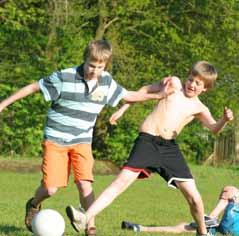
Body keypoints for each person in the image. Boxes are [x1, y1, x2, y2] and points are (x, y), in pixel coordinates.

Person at [0, 40, 171, 236]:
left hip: (82, 141)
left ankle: (90, 228)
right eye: (91, 65)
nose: (94, 71)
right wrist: (4, 104)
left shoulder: (106, 81)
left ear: (105, 65)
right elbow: (32, 87)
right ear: (85, 59)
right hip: (56, 140)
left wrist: (158, 95)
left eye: (100, 67)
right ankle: (34, 203)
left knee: (85, 184)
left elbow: (129, 95)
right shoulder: (65, 76)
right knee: (50, 189)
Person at [66, 60, 234, 236]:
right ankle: (85, 217)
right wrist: (123, 109)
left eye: (198, 83)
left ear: (205, 88)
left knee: (195, 199)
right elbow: (145, 90)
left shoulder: (200, 107)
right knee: (120, 183)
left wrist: (224, 120)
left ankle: (202, 232)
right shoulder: (174, 84)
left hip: (169, 149)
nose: (191, 84)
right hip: (146, 143)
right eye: (191, 79)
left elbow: (214, 128)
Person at [121, 185, 239, 236]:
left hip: (231, 226)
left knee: (231, 190)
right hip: (229, 227)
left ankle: (210, 219)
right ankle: (140, 228)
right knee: (184, 227)